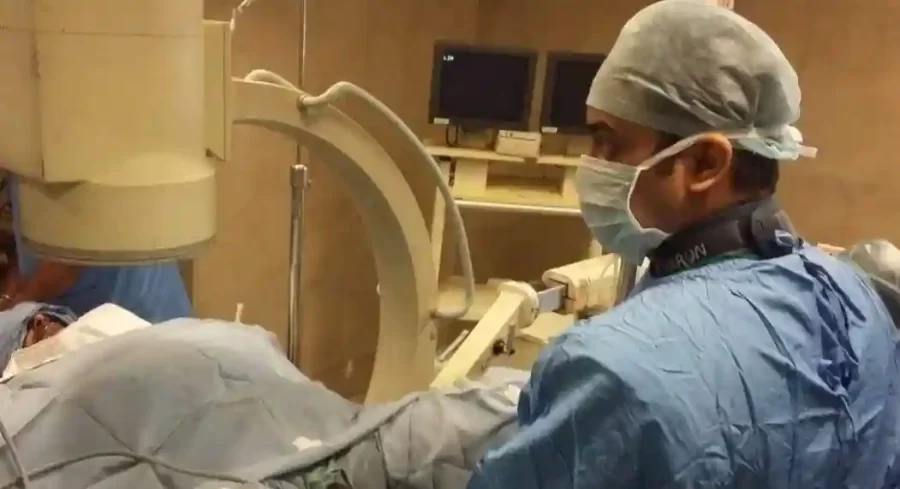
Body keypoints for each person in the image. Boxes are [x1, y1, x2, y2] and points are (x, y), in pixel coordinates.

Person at [468, 2, 899, 488]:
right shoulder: (859, 301)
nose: (593, 164)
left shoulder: (609, 372)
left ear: (704, 164)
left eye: (609, 143)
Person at [0, 173, 192, 323]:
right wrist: (11, 299)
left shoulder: (64, 147)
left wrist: (18, 307)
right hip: (77, 312)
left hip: (133, 311)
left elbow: (69, 256)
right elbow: (23, 238)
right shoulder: (19, 152)